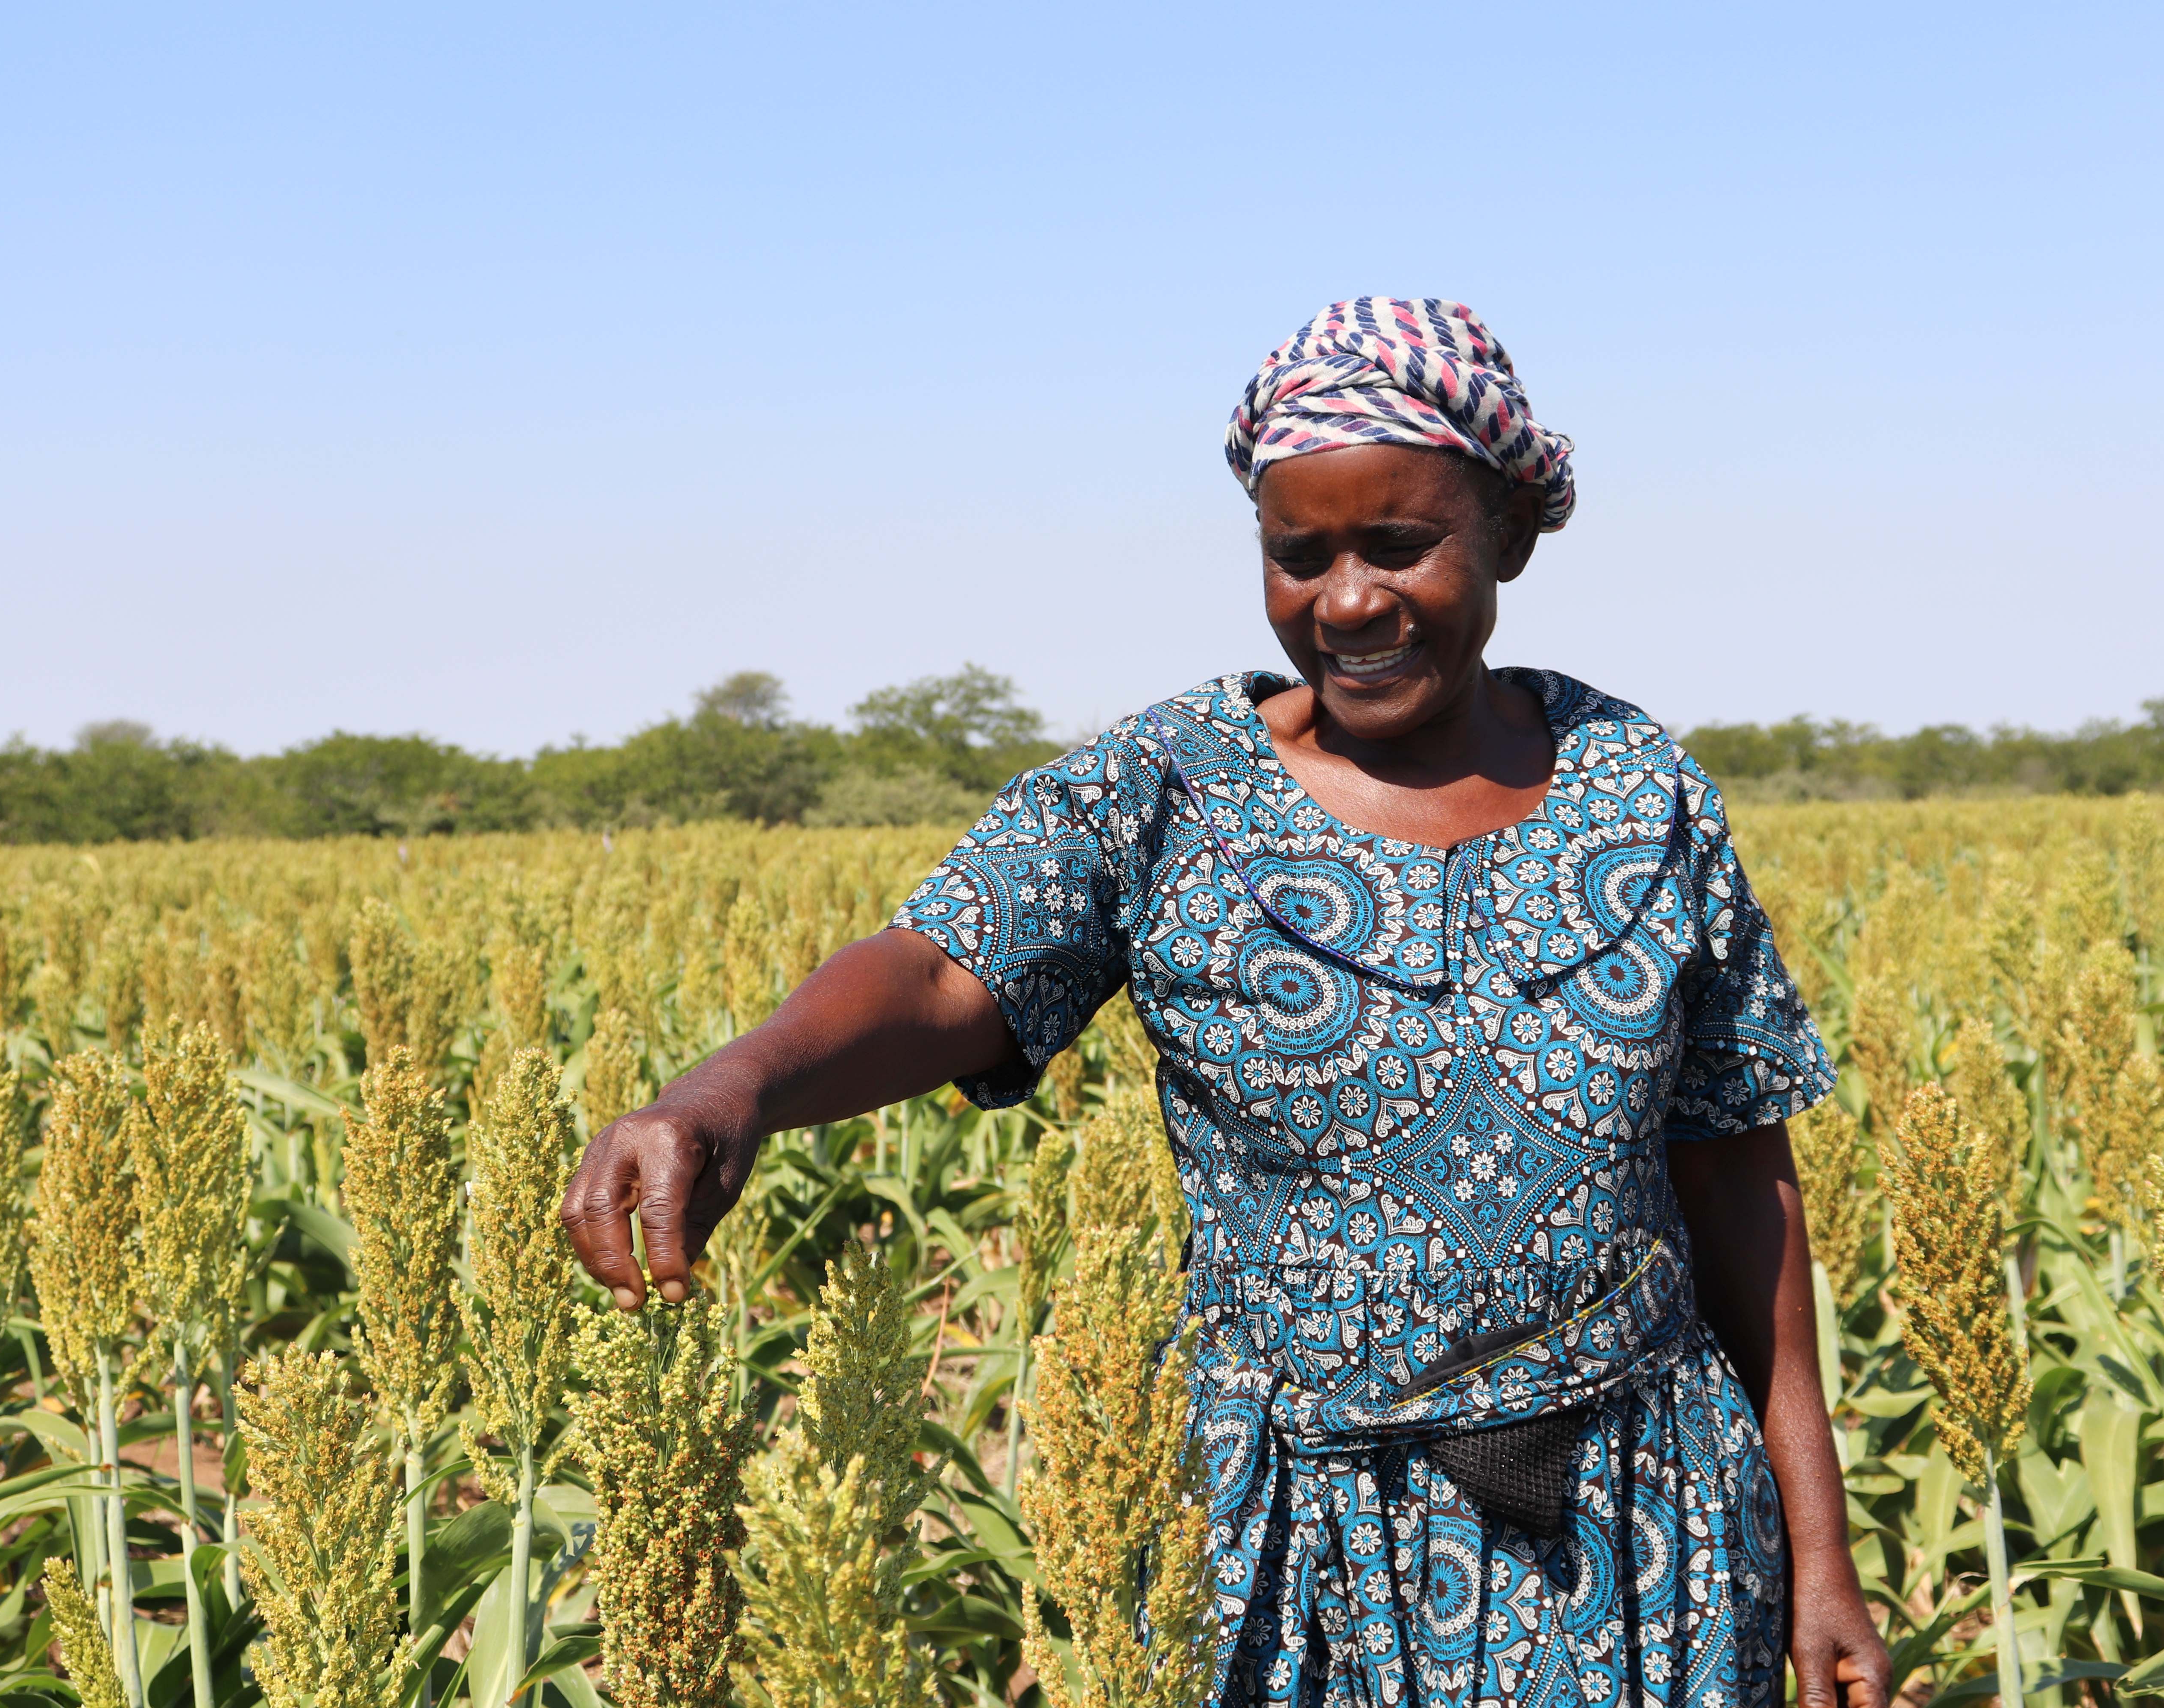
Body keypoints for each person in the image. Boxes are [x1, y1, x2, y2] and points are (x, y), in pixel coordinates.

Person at [563, 297, 1890, 1708]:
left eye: (1399, 546)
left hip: (1638, 1521)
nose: (1349, 601)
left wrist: (1823, 1554)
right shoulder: (1169, 786)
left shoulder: (1640, 782)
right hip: (1293, 1535)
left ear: (1507, 531)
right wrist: (727, 1090)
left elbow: (1742, 1174)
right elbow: (948, 962)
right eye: (1297, 554)